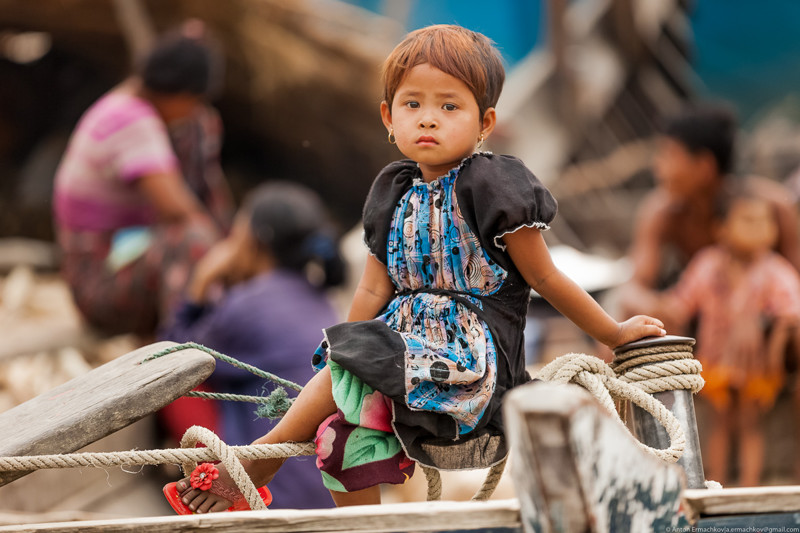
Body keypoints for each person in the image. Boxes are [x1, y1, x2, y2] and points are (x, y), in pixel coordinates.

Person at [171, 24, 665, 513]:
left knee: (359, 353)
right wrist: (334, 359)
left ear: (484, 121)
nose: (429, 119)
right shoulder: (391, 194)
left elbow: (546, 278)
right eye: (413, 105)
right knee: (337, 440)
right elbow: (370, 292)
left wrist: (614, 331)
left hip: (469, 363)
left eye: (449, 106)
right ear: (389, 116)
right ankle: (364, 526)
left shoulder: (495, 186)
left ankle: (258, 464)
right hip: (394, 357)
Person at [160, 182, 345, 509]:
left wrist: (200, 283)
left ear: (252, 238)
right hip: (327, 492)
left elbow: (168, 353)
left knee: (180, 380)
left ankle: (215, 483)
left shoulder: (250, 304)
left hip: (272, 491)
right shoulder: (319, 300)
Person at [52, 20, 233, 338]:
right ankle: (190, 357)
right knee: (192, 241)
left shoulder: (130, 103)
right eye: (195, 100)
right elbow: (181, 211)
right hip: (97, 287)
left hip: (119, 258)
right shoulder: (131, 122)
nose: (196, 110)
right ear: (179, 91)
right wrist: (228, 258)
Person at [647, 186, 800, 486]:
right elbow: (681, 303)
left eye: (764, 221)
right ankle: (715, 480)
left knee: (749, 424)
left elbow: (791, 314)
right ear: (722, 228)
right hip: (715, 362)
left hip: (755, 367)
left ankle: (749, 484)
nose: (759, 228)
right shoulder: (709, 265)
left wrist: (774, 354)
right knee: (720, 423)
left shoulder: (774, 270)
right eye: (747, 220)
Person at [618, 104, 800, 327]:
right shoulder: (663, 212)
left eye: (669, 154)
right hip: (703, 322)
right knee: (621, 323)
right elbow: (634, 287)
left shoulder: (773, 206)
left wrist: (759, 318)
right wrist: (653, 307)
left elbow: (795, 282)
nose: (657, 166)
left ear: (705, 166)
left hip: (769, 322)